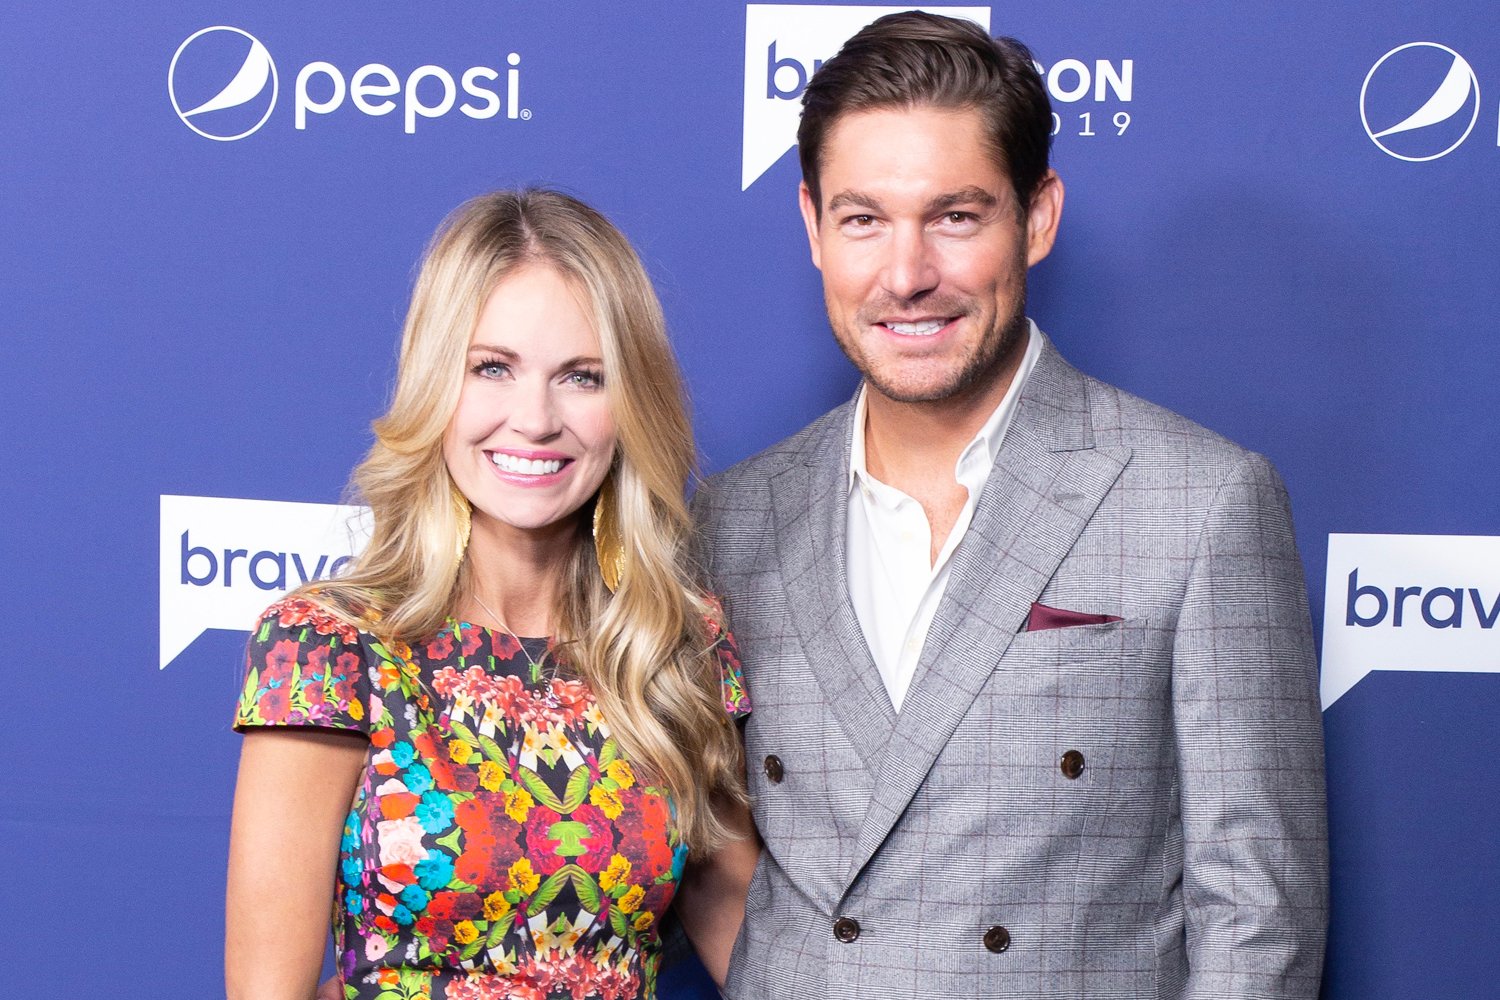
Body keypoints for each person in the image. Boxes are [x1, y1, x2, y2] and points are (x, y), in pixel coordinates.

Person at [691, 12, 1328, 999]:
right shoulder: (733, 519)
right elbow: (710, 852)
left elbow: (1258, 919)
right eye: (864, 220)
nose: (907, 276)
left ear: (1037, 216)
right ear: (813, 226)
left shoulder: (1201, 502)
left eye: (955, 217)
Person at [226, 189, 757, 1000]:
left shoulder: (679, 645)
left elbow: (757, 948)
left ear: (630, 405)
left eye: (582, 377)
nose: (534, 419)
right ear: (436, 381)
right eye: (492, 368)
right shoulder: (328, 646)